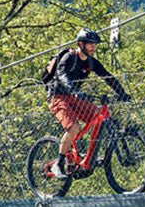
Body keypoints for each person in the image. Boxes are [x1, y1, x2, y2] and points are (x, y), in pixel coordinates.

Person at [46, 28, 130, 178]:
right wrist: (73, 90)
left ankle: (88, 158)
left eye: (95, 44)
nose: (93, 47)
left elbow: (108, 77)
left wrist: (122, 93)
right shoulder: (69, 57)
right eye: (90, 44)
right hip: (58, 96)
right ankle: (58, 165)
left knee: (99, 117)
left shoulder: (92, 62)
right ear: (80, 44)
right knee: (74, 127)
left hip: (75, 97)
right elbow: (62, 75)